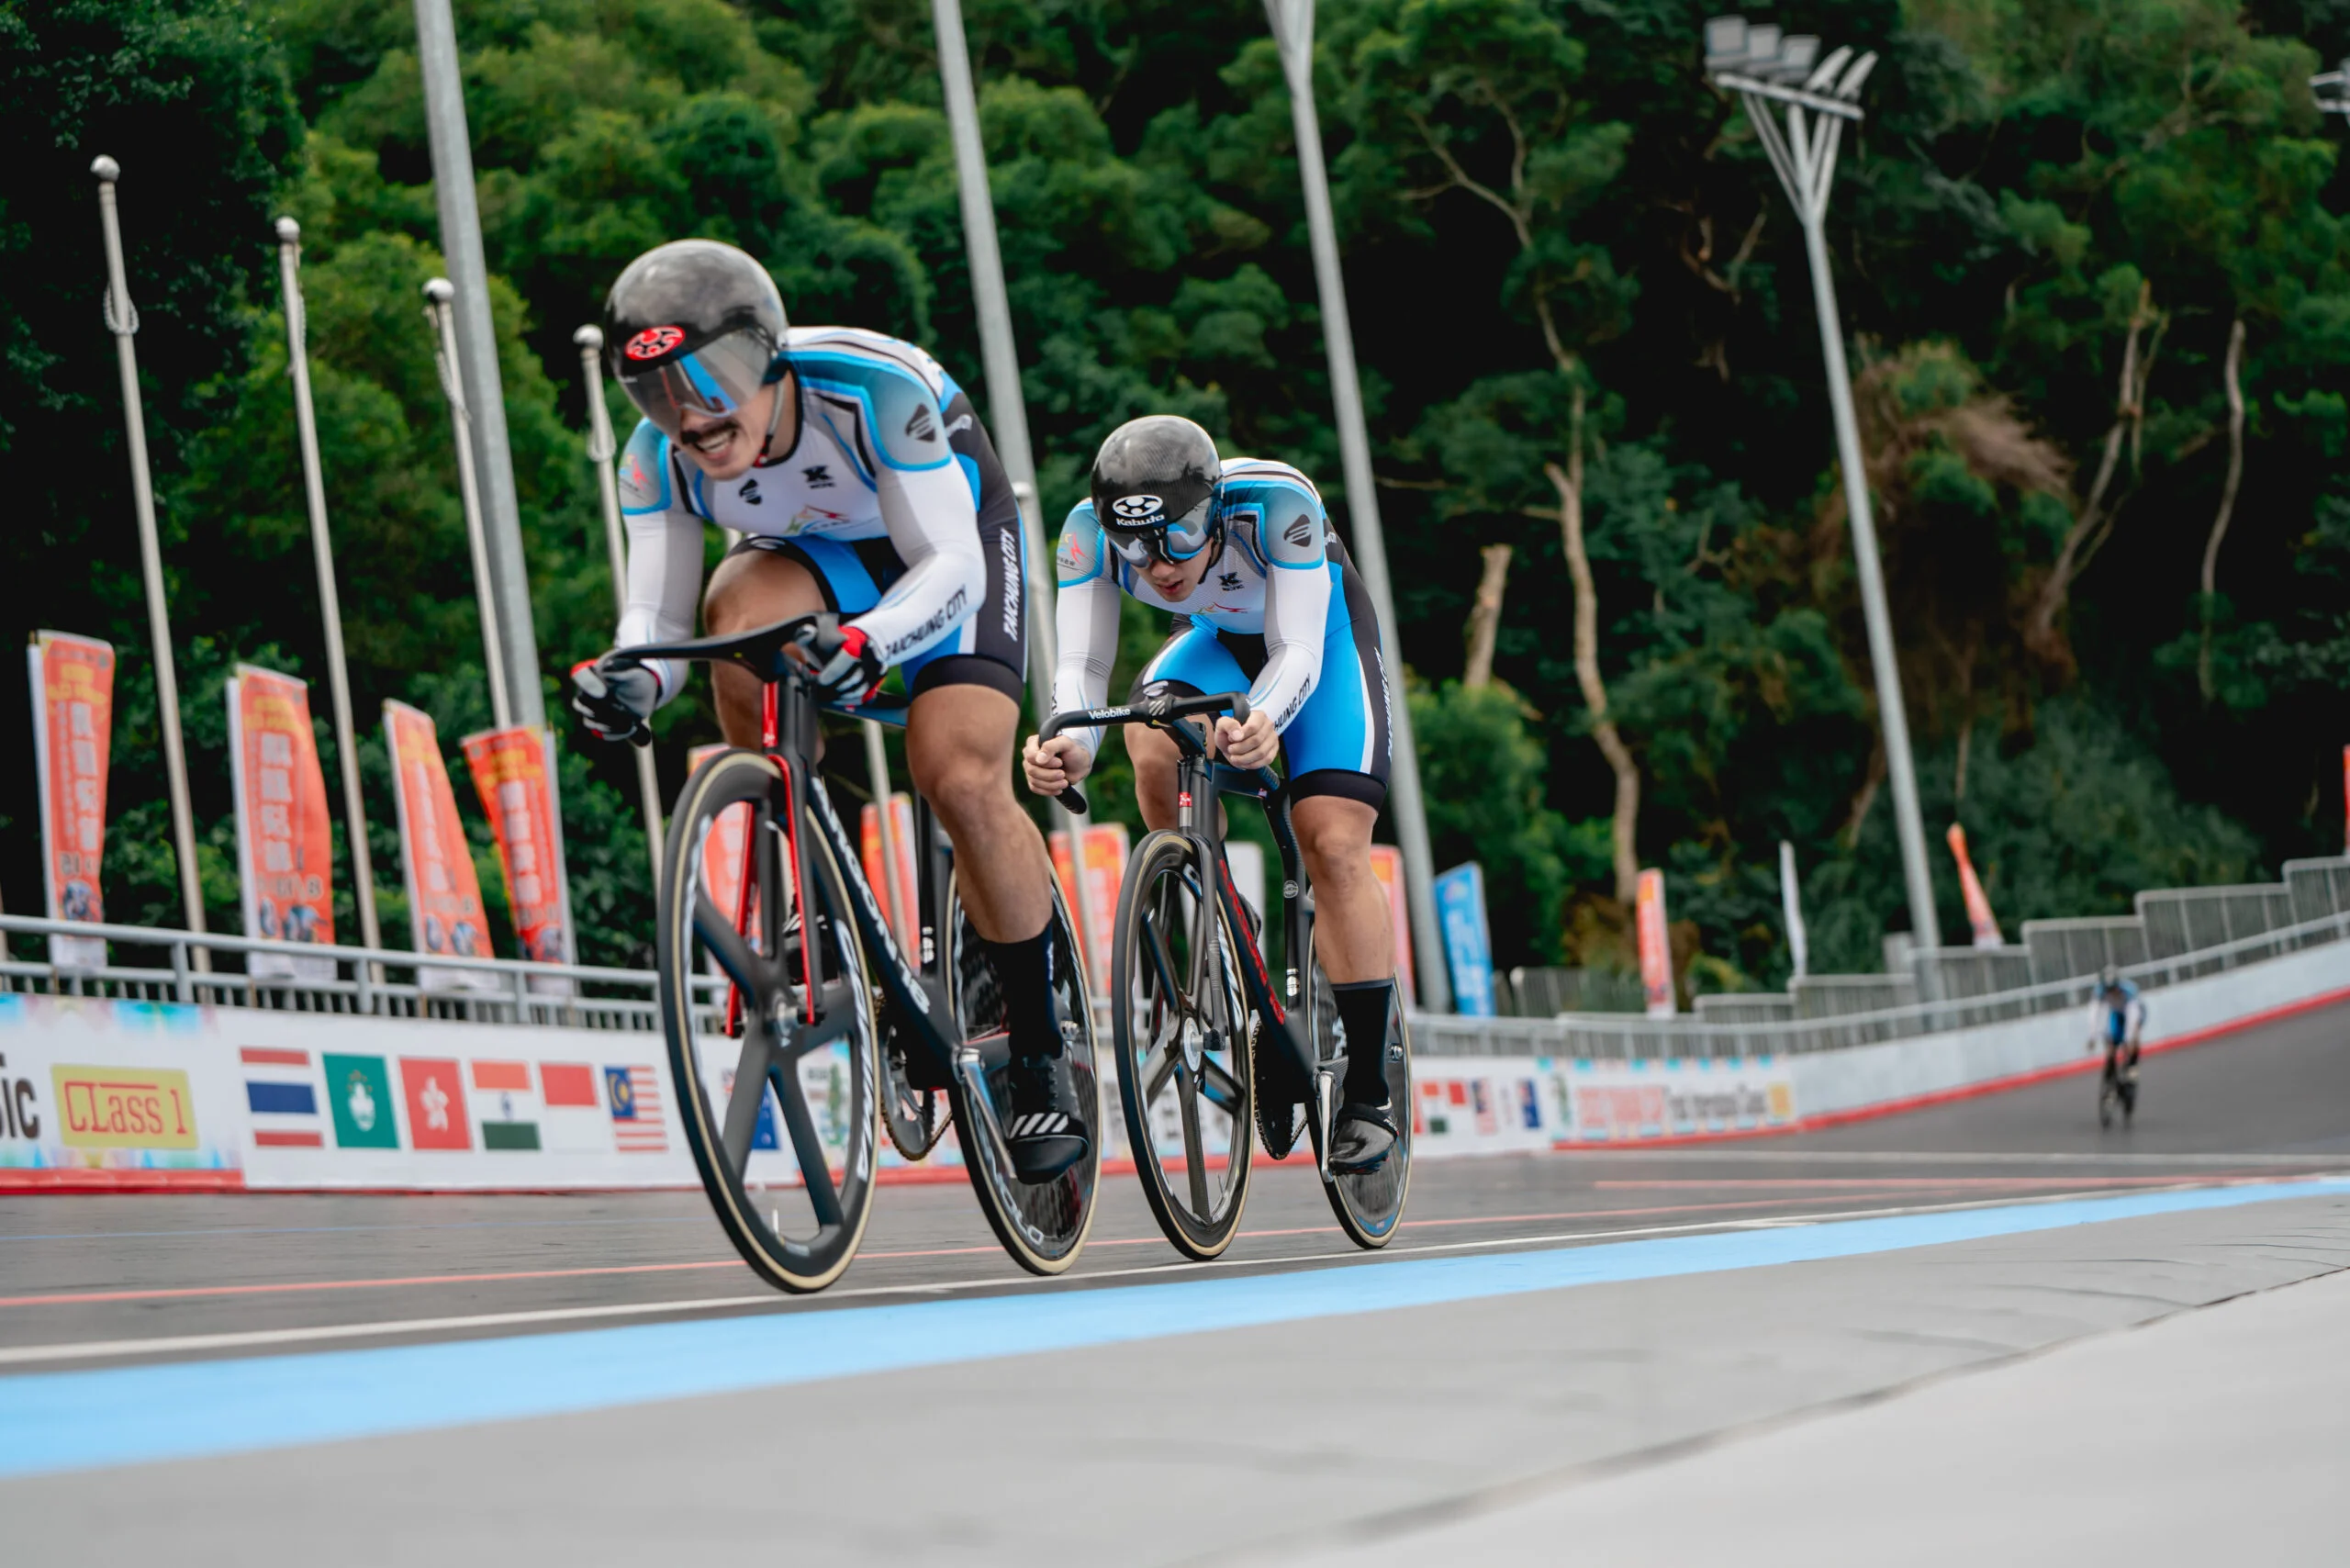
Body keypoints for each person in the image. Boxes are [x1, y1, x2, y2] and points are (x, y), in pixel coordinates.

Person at [566, 239, 1085, 1182]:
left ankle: (1041, 1051)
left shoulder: (870, 392)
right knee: (734, 619)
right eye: (657, 394)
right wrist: (631, 681)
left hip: (947, 548)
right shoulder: (656, 459)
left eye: (711, 379)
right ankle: (803, 885)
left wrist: (871, 641)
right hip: (819, 562)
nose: (690, 414)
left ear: (768, 357)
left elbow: (952, 567)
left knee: (957, 776)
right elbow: (657, 622)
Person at [1022, 415, 1400, 1171]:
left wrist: (1265, 722)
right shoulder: (1085, 534)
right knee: (1149, 737)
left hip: (1322, 646)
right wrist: (1071, 747)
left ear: (1215, 510)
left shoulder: (1277, 505)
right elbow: (1082, 670)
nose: (1160, 566)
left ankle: (1368, 1090)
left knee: (1331, 841)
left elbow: (1296, 649)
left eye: (1180, 538)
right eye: (1137, 548)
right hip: (1217, 644)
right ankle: (1216, 895)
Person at [2091, 966, 2146, 1077]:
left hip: (2133, 1011)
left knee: (2132, 1038)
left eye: (2114, 989)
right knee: (2111, 1041)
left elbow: (2132, 1019)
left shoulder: (2129, 990)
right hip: (2117, 1012)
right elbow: (2094, 1013)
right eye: (2108, 990)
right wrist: (2093, 1035)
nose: (2111, 993)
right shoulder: (2100, 991)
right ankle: (2110, 1071)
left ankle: (2133, 1064)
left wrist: (2129, 1039)